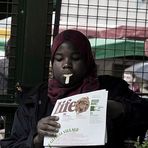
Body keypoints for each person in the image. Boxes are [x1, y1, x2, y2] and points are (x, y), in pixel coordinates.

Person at [1, 29, 148, 148]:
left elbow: (144, 116)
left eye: (76, 58)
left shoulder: (110, 89)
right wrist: (36, 140)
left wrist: (120, 109)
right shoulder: (35, 98)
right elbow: (11, 144)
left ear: (87, 61)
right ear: (52, 62)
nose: (67, 64)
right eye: (59, 59)